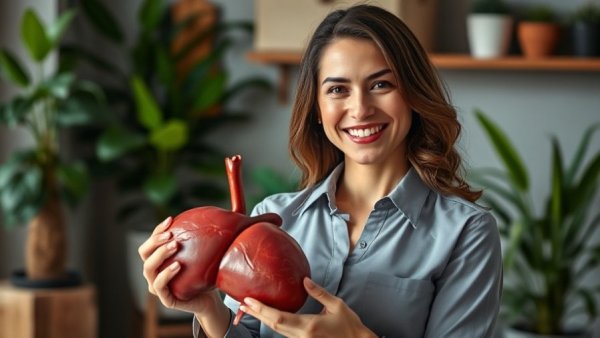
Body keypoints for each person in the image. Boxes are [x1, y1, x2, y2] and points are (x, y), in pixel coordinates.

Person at [138, 4, 503, 338]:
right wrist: (205, 307)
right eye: (338, 89)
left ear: (413, 93)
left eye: (381, 84)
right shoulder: (273, 216)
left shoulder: (465, 232)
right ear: (317, 108)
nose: (359, 109)